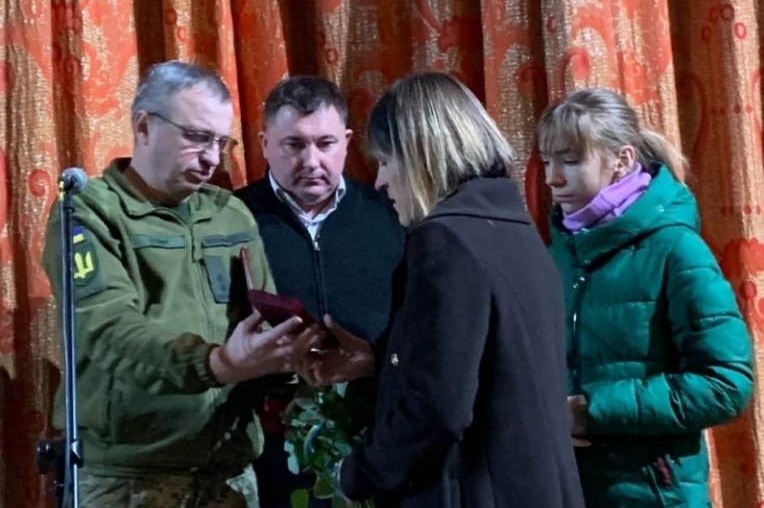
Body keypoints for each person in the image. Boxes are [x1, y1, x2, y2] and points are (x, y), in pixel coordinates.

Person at [299, 72, 586, 508]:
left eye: (386, 162)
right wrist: (380, 360)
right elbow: (492, 369)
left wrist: (357, 473)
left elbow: (440, 408)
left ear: (421, 155)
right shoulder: (516, 229)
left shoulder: (444, 240)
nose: (379, 181)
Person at [42, 61, 321, 508]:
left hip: (230, 472)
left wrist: (295, 357)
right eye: (197, 137)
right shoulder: (89, 211)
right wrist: (217, 364)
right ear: (143, 126)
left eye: (221, 142)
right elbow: (107, 328)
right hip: (128, 479)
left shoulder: (229, 214)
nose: (212, 158)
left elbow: (265, 321)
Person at [536, 87, 754, 507]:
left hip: (655, 495)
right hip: (573, 490)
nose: (553, 178)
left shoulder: (677, 250)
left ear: (622, 160)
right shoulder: (557, 253)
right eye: (547, 161)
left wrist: (593, 409)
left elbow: (727, 384)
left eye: (571, 161)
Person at [235, 77, 404, 508]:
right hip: (267, 448)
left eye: (325, 143)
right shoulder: (232, 220)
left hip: (380, 439)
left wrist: (374, 361)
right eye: (294, 145)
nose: (311, 161)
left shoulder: (391, 213)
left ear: (346, 142)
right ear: (265, 144)